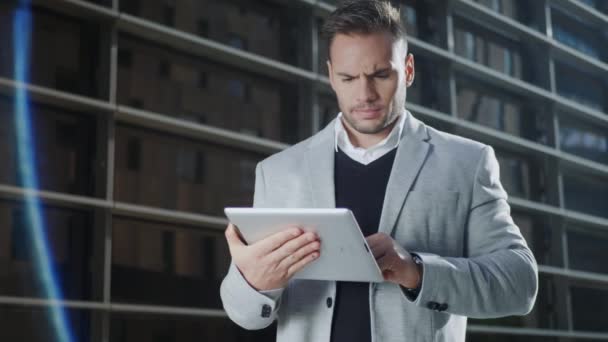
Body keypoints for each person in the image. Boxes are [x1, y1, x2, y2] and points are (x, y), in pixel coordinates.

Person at [220, 1, 538, 341]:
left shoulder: (466, 162)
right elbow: (244, 315)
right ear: (330, 76)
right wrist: (255, 282)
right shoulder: (278, 172)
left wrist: (416, 270)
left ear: (409, 70)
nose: (365, 94)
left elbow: (520, 284)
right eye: (348, 77)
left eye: (380, 74)